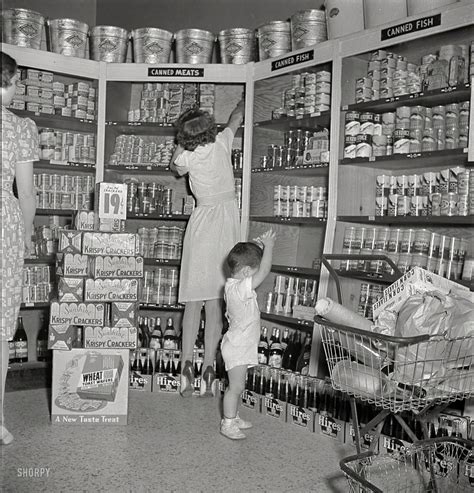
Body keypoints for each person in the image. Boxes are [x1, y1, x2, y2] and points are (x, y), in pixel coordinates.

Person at [170, 100, 244, 397]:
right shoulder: (223, 142)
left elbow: (174, 167)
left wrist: (182, 143)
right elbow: (236, 117)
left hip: (202, 223)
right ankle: (210, 367)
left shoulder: (188, 157)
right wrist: (240, 103)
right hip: (227, 224)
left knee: (193, 301)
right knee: (216, 301)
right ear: (211, 130)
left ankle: (186, 365)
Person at [1, 52, 39, 445]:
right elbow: (25, 193)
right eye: (14, 82)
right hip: (4, 227)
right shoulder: (19, 128)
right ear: (8, 81)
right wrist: (27, 232)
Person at [220, 230, 275, 440]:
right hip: (237, 347)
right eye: (255, 271)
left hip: (239, 345)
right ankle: (227, 423)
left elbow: (259, 272)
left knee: (238, 385)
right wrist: (268, 247)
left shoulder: (234, 285)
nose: (258, 275)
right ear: (245, 272)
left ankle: (233, 417)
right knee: (235, 388)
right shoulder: (239, 289)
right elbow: (265, 272)